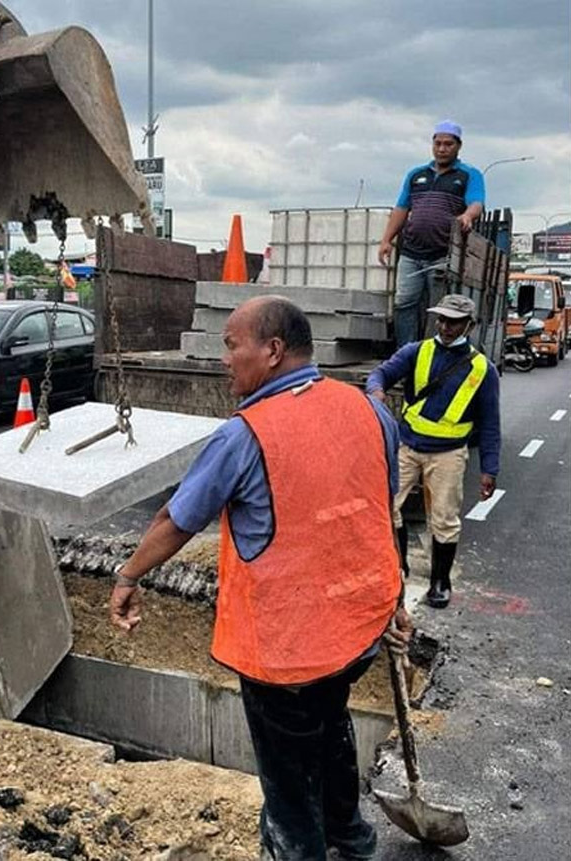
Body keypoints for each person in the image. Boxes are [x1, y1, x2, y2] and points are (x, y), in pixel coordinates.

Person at [109, 296, 412, 861]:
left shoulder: (245, 434)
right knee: (327, 723)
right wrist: (394, 595)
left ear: (272, 351)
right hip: (357, 631)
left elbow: (176, 519)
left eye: (231, 345)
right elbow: (379, 513)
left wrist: (128, 576)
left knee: (287, 778)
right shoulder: (370, 411)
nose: (225, 359)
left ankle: (303, 849)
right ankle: (352, 835)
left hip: (287, 649)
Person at [366, 293, 500, 609]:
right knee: (387, 505)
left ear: (470, 325)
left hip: (450, 454)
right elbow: (381, 373)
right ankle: (400, 567)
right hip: (407, 445)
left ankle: (440, 581)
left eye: (454, 322)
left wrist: (489, 469)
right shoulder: (418, 351)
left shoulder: (482, 370)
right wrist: (376, 391)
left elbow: (491, 423)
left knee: (444, 518)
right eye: (442, 319)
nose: (446, 326)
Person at [378, 120, 485, 348]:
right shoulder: (417, 175)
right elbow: (401, 208)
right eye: (438, 143)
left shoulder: (468, 175)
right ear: (432, 145)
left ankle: (432, 351)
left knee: (438, 308)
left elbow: (476, 202)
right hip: (411, 252)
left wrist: (467, 216)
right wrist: (386, 240)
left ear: (458, 146)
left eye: (448, 144)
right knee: (404, 302)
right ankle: (405, 351)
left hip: (443, 254)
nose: (442, 148)